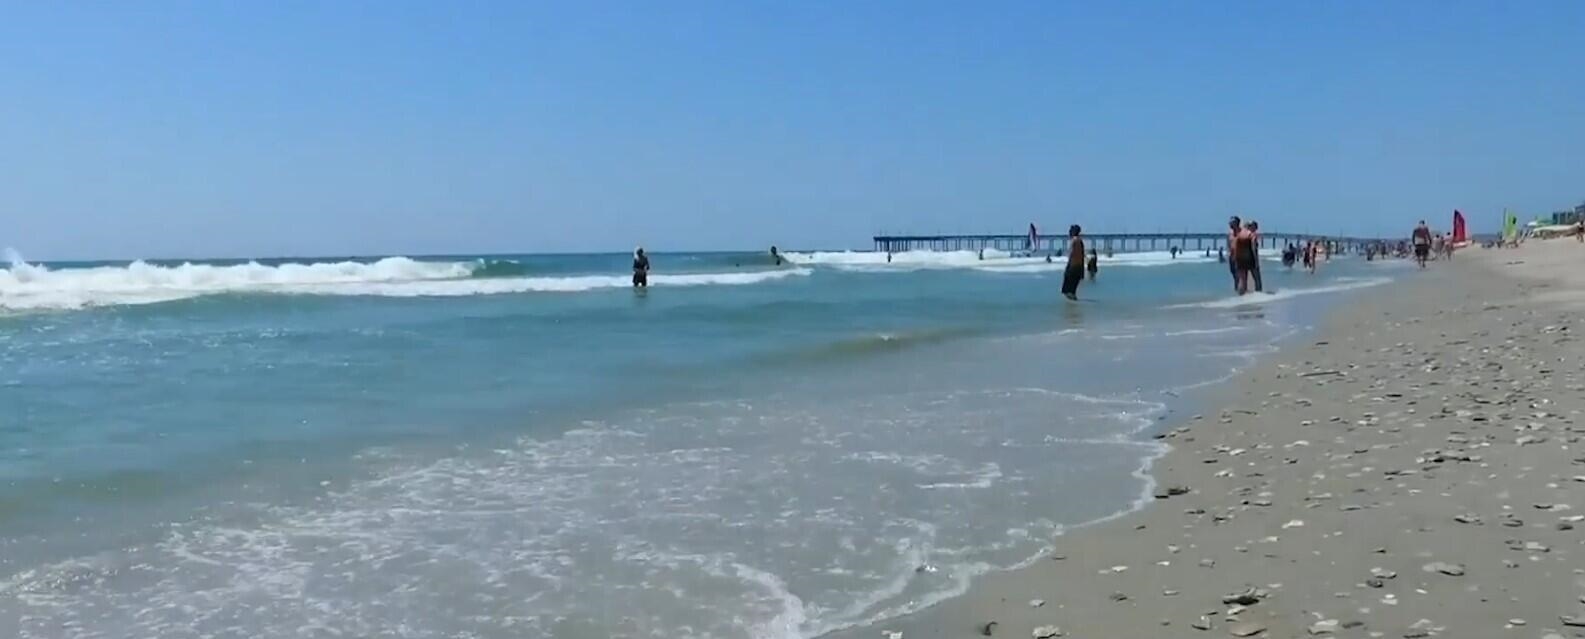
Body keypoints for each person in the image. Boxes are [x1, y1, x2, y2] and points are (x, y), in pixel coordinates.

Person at [1061, 225, 1085, 301]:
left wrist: (1068, 265)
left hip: (1073, 265)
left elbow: (1071, 254)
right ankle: (1074, 304)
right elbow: (1082, 255)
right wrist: (1082, 270)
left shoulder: (1074, 241)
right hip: (1079, 266)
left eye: (1070, 231)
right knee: (1072, 290)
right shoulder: (1080, 241)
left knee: (1067, 290)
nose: (1069, 233)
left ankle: (1072, 306)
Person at [1232, 221, 1257, 295]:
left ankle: (1241, 294)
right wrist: (1256, 259)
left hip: (1239, 257)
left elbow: (1234, 247)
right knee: (1254, 277)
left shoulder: (1238, 234)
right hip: (1248, 257)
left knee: (1242, 278)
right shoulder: (1250, 234)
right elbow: (1253, 247)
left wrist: (1234, 257)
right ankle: (1253, 293)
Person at [1245, 221, 1264, 292]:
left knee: (1244, 278)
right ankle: (1259, 293)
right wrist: (1256, 260)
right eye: (1255, 226)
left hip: (1244, 258)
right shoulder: (1253, 235)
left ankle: (1243, 293)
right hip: (1251, 258)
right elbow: (1253, 248)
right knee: (1257, 278)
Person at [1225, 216, 1242, 291]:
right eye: (1230, 223)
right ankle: (1237, 288)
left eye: (1232, 223)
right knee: (1233, 273)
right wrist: (1228, 253)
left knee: (1240, 273)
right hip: (1232, 256)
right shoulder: (1230, 233)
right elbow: (1229, 244)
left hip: (1240, 255)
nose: (1230, 224)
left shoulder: (1241, 232)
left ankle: (1240, 289)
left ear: (1236, 223)